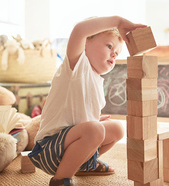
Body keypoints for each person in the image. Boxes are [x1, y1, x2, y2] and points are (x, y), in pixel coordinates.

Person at [28, 16, 146, 186]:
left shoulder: (97, 81)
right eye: (109, 46)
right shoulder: (76, 64)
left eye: (117, 52)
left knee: (116, 129)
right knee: (95, 130)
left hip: (70, 146)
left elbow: (77, 115)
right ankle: (60, 179)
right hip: (48, 150)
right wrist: (118, 22)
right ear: (85, 43)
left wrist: (93, 121)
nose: (114, 53)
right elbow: (80, 30)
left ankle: (84, 165)